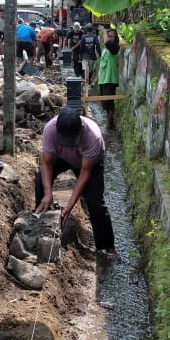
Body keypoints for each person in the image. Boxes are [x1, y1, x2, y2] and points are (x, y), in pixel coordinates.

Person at [34, 107, 116, 258]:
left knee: (96, 204)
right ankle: (39, 220)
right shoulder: (50, 129)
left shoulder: (93, 136)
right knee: (40, 179)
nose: (69, 144)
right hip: (63, 157)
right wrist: (48, 192)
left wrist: (69, 206)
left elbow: (84, 173)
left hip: (89, 164)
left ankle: (106, 246)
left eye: (72, 141)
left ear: (80, 130)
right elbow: (46, 163)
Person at [98, 27, 121, 129]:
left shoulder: (115, 48)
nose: (110, 38)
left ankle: (109, 124)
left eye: (112, 36)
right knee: (105, 103)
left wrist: (103, 31)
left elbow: (107, 43)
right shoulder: (105, 49)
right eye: (109, 36)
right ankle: (111, 122)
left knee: (109, 102)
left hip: (110, 79)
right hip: (103, 79)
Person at [75, 22, 101, 87]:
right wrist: (100, 54)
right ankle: (88, 83)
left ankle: (86, 82)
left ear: (86, 30)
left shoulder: (83, 37)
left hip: (85, 56)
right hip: (92, 56)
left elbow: (81, 47)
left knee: (85, 69)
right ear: (92, 30)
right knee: (90, 70)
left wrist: (80, 55)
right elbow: (97, 46)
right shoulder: (95, 37)